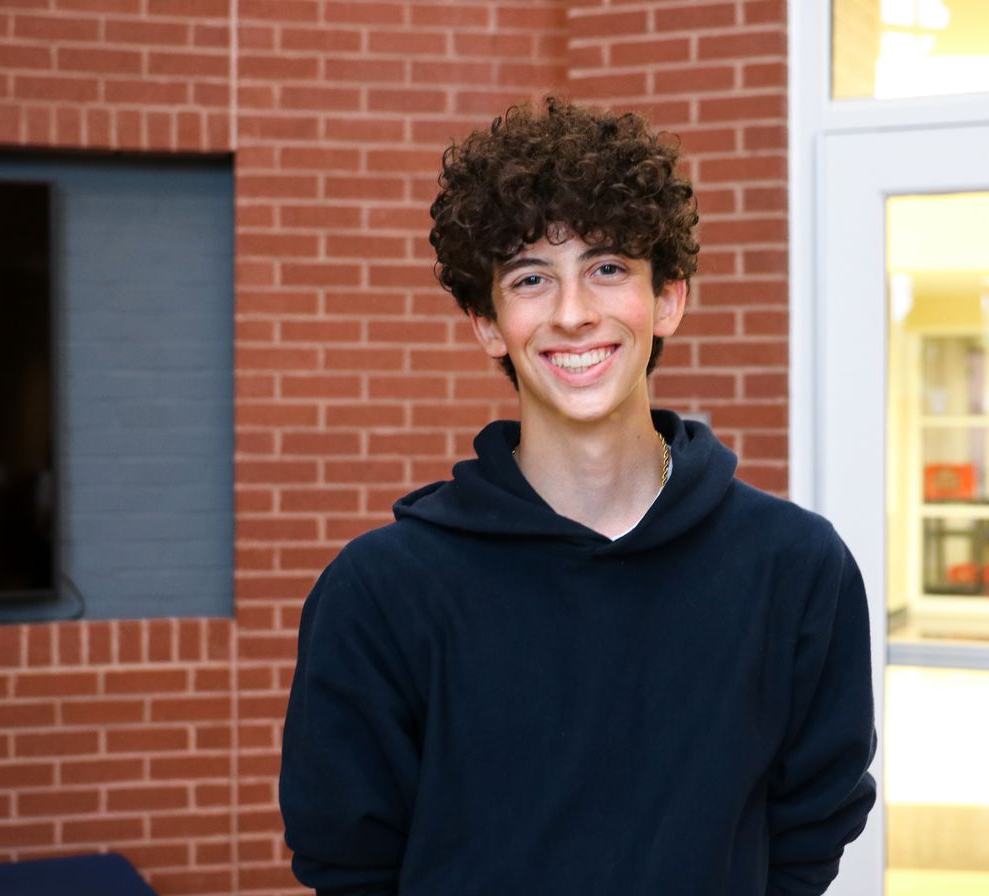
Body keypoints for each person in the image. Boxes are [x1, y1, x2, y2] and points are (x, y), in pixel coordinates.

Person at [279, 97, 877, 896]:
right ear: (488, 324)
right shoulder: (381, 592)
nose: (572, 313)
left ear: (668, 299)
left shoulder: (797, 569)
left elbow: (811, 827)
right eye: (531, 278)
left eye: (607, 267)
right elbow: (349, 864)